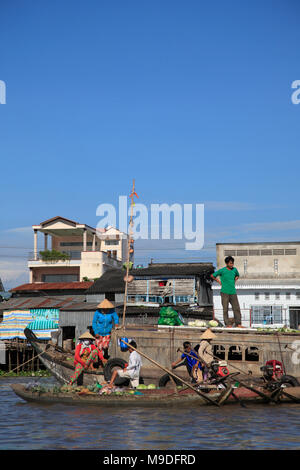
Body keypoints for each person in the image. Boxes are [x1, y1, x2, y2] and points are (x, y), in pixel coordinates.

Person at [211, 256, 242, 327]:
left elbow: (237, 275)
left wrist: (235, 280)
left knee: (236, 308)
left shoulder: (234, 270)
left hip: (233, 292)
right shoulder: (222, 270)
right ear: (227, 263)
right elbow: (212, 275)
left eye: (232, 263)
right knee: (225, 309)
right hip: (224, 292)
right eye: (230, 263)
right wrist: (219, 281)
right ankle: (227, 324)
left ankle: (238, 324)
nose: (232, 265)